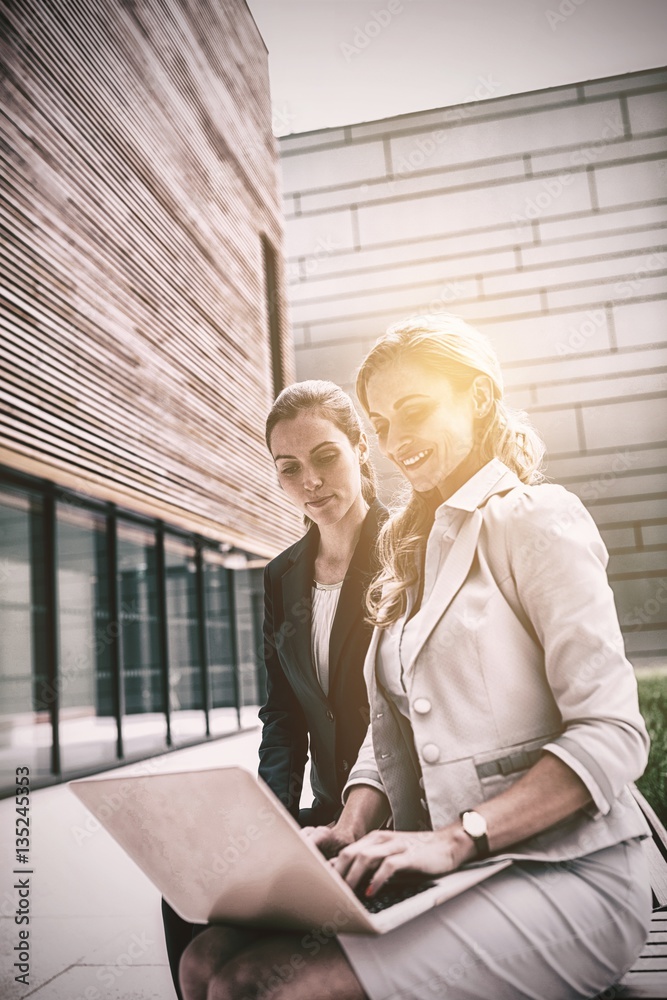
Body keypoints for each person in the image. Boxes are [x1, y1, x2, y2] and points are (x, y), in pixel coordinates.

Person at [180, 315, 652, 1000]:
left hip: (566, 871)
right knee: (206, 960)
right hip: (451, 862)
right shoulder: (414, 547)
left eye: (415, 412)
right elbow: (388, 724)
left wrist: (458, 837)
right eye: (381, 423)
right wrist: (347, 828)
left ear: (479, 399)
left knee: (262, 986)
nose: (397, 442)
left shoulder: (536, 518)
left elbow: (611, 736)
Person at [163, 380, 386, 999]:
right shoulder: (281, 575)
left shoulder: (408, 550)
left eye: (325, 457)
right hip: (322, 809)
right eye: (289, 468)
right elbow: (283, 713)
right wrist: (273, 819)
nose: (309, 481)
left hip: (394, 810)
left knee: (245, 975)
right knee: (189, 906)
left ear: (361, 450)